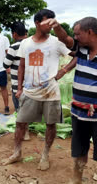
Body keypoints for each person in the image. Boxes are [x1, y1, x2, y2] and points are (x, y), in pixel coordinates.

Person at [2, 9, 73, 171]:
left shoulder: (56, 41)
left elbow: (73, 50)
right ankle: (17, 153)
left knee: (50, 125)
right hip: (29, 92)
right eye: (47, 21)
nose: (50, 25)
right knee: (20, 123)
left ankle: (45, 155)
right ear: (37, 23)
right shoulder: (26, 43)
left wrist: (64, 70)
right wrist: (19, 88)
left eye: (52, 21)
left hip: (51, 93)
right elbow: (21, 66)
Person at [45, 17, 97, 183]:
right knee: (79, 149)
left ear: (90, 32)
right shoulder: (81, 50)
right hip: (78, 112)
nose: (75, 37)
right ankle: (77, 178)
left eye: (78, 34)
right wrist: (57, 27)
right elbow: (65, 39)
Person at [3, 22, 30, 140]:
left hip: (17, 84)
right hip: (31, 83)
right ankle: (27, 131)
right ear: (25, 32)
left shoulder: (14, 47)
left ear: (14, 34)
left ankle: (24, 132)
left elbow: (5, 64)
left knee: (19, 108)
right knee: (27, 107)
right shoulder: (32, 44)